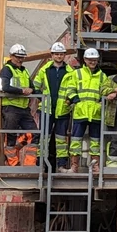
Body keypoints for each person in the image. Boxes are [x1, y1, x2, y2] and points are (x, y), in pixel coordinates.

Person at [33, 42, 75, 172]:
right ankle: (41, 165)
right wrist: (42, 99)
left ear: (64, 55)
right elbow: (35, 86)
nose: (59, 56)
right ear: (52, 55)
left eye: (61, 54)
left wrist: (69, 100)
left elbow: (73, 88)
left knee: (61, 140)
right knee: (44, 138)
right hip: (46, 110)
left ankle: (61, 166)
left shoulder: (70, 71)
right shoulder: (44, 70)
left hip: (62, 110)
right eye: (56, 54)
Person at [66, 47, 106, 173]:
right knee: (76, 141)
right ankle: (74, 166)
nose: (92, 62)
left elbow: (104, 91)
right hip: (80, 112)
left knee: (95, 141)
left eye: (94, 60)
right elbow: (70, 89)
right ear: (84, 60)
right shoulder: (77, 73)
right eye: (90, 60)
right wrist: (76, 100)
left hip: (95, 112)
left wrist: (100, 103)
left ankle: (95, 166)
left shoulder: (102, 76)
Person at [0, 44, 39, 167]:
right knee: (10, 136)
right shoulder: (7, 69)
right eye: (17, 57)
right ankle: (13, 164)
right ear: (11, 56)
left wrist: (37, 93)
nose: (20, 59)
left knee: (35, 133)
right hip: (10, 108)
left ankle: (29, 164)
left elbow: (31, 88)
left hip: (23, 108)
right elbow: (5, 87)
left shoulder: (24, 70)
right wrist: (22, 91)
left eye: (22, 57)